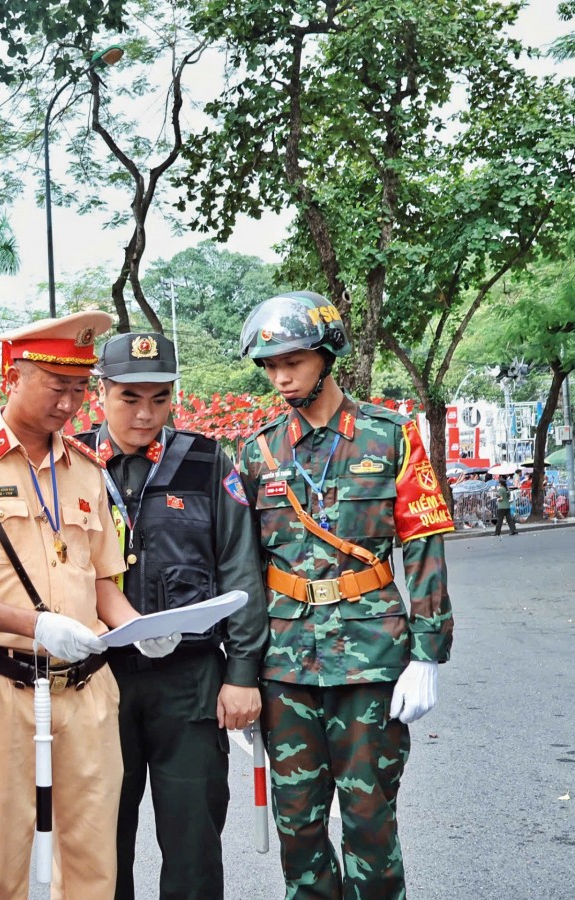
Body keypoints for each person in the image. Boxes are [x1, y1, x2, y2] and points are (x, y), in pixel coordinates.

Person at [0, 311, 167, 900]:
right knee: (2, 864)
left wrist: (139, 628)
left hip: (87, 692)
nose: (71, 403)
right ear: (14, 374)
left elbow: (104, 583)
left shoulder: (87, 469)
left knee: (90, 864)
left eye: (81, 389)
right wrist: (36, 625)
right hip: (3, 689)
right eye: (58, 387)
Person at [234, 291, 455, 899]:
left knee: (369, 821)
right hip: (285, 666)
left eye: (294, 361)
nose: (281, 376)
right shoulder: (257, 452)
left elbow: (423, 547)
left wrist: (428, 653)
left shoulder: (392, 437)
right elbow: (244, 569)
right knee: (297, 826)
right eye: (270, 366)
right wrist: (242, 672)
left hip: (370, 660)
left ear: (328, 355)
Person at [74, 332, 267, 900]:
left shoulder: (207, 462)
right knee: (102, 841)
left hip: (190, 678)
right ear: (101, 393)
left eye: (159, 399)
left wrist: (242, 674)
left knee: (193, 839)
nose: (145, 413)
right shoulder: (72, 463)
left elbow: (240, 567)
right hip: (98, 678)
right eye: (130, 398)